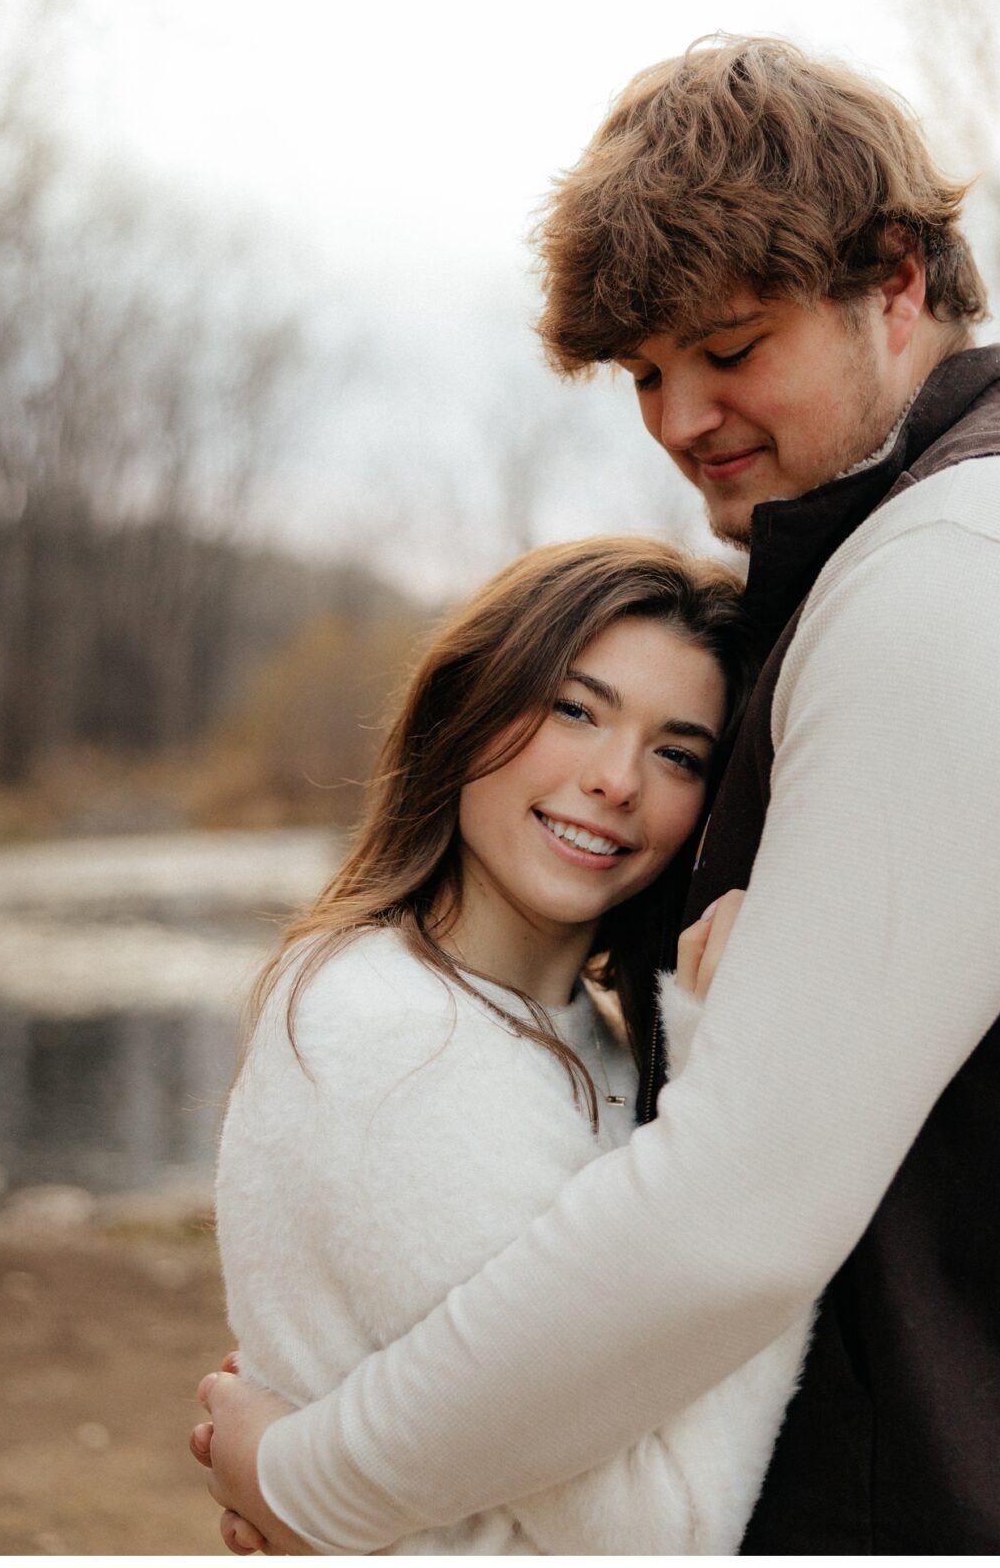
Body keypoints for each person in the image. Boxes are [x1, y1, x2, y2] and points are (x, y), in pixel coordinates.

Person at [199, 37, 1000, 1554]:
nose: (678, 416)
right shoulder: (900, 554)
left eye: (730, 347)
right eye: (646, 373)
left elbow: (745, 1206)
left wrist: (324, 1481)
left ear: (896, 281)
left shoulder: (976, 569)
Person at [205, 535, 810, 1553]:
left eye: (678, 753)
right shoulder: (396, 1041)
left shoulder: (586, 1043)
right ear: (465, 709)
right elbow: (658, 1536)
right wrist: (748, 1126)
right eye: (576, 709)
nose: (617, 780)